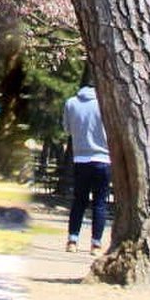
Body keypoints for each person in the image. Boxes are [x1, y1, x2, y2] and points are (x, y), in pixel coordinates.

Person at [63, 78, 111, 254]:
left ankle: (72, 240)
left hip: (80, 158)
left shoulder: (71, 102)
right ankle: (96, 244)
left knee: (79, 201)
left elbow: (67, 129)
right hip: (103, 158)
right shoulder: (105, 104)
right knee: (99, 203)